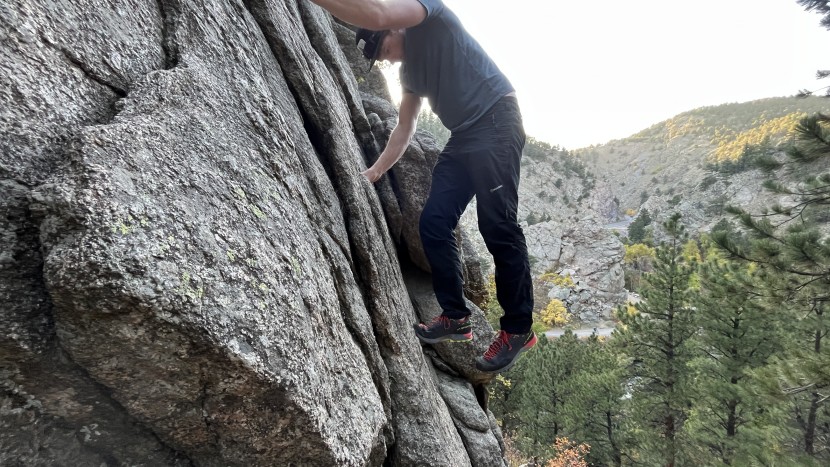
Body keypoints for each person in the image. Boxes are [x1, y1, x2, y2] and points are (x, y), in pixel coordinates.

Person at [310, 0, 536, 373]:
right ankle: (455, 317)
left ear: (394, 30)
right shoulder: (409, 74)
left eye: (385, 51)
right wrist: (376, 172)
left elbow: (378, 13)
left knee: (497, 226)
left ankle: (517, 329)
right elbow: (405, 128)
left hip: (497, 121)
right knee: (433, 221)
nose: (390, 61)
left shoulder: (432, 17)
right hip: (464, 135)